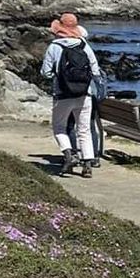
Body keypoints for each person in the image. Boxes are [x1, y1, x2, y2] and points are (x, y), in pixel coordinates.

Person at [40, 13, 102, 177]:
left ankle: (69, 155)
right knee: (84, 130)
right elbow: (95, 70)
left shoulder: (54, 47)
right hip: (84, 93)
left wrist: (56, 76)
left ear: (59, 29)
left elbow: (45, 72)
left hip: (62, 93)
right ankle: (87, 165)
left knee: (59, 127)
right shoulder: (83, 45)